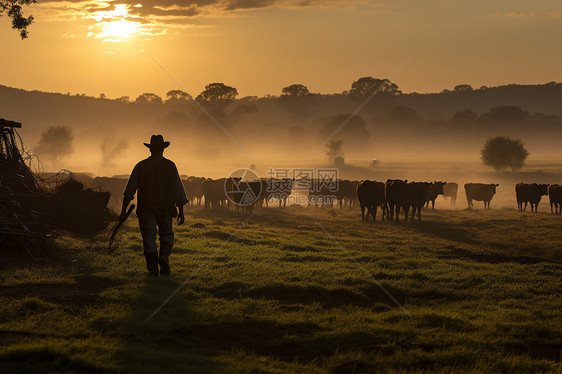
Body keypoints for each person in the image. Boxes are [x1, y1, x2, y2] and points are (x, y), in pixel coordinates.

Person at [121, 135, 188, 276]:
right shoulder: (170, 166)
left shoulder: (141, 166)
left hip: (146, 209)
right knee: (167, 234)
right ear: (163, 149)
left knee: (149, 238)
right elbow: (178, 190)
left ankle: (152, 269)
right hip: (165, 208)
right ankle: (164, 257)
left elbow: (129, 191)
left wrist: (123, 211)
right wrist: (181, 211)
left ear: (150, 150)